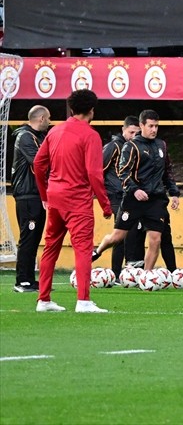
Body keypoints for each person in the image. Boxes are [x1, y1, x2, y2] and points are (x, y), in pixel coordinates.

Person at [31, 89, 112, 312]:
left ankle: (44, 300)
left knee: (50, 248)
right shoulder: (90, 135)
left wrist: (44, 194)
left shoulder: (55, 131)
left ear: (72, 109)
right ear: (92, 110)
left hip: (55, 198)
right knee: (83, 250)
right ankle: (83, 301)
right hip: (77, 200)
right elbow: (94, 173)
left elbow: (38, 164)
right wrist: (105, 204)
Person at [91, 110, 180, 272]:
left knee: (156, 239)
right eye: (150, 126)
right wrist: (135, 190)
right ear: (142, 126)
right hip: (133, 200)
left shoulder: (162, 146)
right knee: (118, 237)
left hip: (155, 201)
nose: (154, 130)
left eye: (156, 126)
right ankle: (98, 250)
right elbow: (122, 172)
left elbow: (167, 171)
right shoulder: (130, 146)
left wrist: (174, 192)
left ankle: (147, 276)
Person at [10, 105, 50, 293]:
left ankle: (29, 278)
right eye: (48, 119)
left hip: (37, 194)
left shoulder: (39, 137)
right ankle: (22, 281)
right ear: (41, 119)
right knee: (28, 237)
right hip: (27, 195)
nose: (49, 123)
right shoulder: (25, 137)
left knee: (34, 238)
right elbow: (39, 162)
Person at [100, 116, 139, 274]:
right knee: (122, 232)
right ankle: (117, 271)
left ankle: (124, 270)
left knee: (130, 231)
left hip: (129, 195)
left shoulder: (134, 147)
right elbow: (99, 170)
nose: (134, 136)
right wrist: (104, 199)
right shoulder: (114, 146)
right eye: (131, 132)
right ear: (124, 130)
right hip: (116, 195)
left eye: (137, 133)